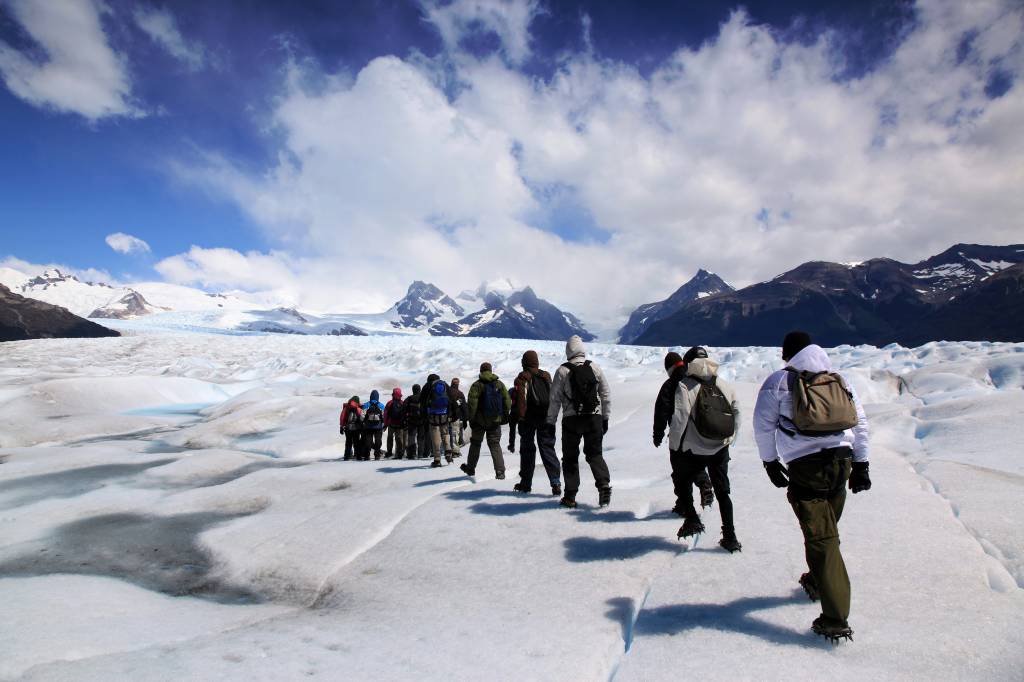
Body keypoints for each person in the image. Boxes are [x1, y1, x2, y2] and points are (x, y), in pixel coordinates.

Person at [753, 331, 871, 643]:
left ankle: (834, 618)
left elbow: (762, 425)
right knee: (824, 530)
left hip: (806, 468)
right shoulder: (839, 379)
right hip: (842, 463)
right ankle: (819, 579)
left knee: (822, 539)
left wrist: (770, 462)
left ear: (788, 353)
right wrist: (861, 464)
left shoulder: (779, 381)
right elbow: (859, 423)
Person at [668, 347, 742, 553]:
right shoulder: (723, 384)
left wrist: (674, 445)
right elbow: (737, 411)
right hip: (720, 447)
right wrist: (730, 439)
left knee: (682, 480)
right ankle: (730, 536)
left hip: (694, 448)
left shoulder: (685, 385)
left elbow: (680, 417)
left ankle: (692, 519)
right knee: (723, 492)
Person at [546, 335, 612, 508]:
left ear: (568, 351)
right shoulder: (594, 368)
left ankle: (570, 496)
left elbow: (554, 400)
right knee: (595, 454)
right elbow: (605, 394)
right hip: (594, 418)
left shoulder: (562, 371)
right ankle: (603, 484)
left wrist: (550, 423)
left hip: (571, 420)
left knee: (570, 458)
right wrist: (605, 417)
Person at [653, 351, 716, 513]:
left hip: (679, 434)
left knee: (680, 472)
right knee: (697, 463)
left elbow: (661, 411)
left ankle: (684, 505)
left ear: (669, 368)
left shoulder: (669, 384)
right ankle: (704, 483)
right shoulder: (693, 378)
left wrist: (658, 434)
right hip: (700, 432)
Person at [512, 350, 562, 496]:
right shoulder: (546, 375)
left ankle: (526, 484)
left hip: (528, 419)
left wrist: (520, 418)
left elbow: (522, 398)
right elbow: (553, 395)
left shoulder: (522, 377)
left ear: (524, 363)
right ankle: (556, 482)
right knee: (547, 448)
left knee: (527, 451)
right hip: (546, 418)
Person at [460, 362, 511, 479]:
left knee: (476, 444)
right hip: (495, 421)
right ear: (491, 370)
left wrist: (471, 419)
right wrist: (502, 415)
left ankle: (471, 468)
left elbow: (472, 405)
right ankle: (500, 472)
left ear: (481, 371)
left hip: (479, 422)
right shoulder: (499, 384)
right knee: (495, 445)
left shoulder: (477, 385)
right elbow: (507, 402)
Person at [424, 373, 453, 467]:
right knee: (445, 432)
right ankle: (448, 449)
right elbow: (451, 399)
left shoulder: (428, 385)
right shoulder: (444, 384)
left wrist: (424, 415)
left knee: (435, 434)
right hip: (444, 413)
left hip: (433, 414)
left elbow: (422, 400)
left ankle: (437, 459)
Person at [361, 390, 386, 460]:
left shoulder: (366, 405)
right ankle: (377, 455)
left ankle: (367, 455)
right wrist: (383, 424)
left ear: (370, 396)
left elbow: (362, 416)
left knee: (368, 441)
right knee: (378, 441)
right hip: (378, 427)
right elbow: (384, 416)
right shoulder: (381, 405)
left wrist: (364, 422)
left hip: (368, 427)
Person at [447, 377, 469, 458]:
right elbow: (464, 407)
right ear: (458, 384)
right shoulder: (459, 393)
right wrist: (465, 419)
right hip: (455, 416)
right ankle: (455, 451)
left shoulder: (446, 392)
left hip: (444, 416)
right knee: (454, 434)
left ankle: (447, 450)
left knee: (446, 434)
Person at [384, 387, 406, 459]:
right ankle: (400, 453)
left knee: (390, 438)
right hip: (400, 424)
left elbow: (386, 414)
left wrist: (385, 424)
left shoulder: (389, 403)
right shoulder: (402, 403)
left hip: (391, 424)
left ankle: (389, 452)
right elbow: (405, 414)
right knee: (399, 439)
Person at [339, 396, 363, 461]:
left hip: (347, 428)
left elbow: (342, 418)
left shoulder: (346, 408)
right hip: (356, 428)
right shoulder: (358, 409)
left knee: (348, 442)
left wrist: (341, 426)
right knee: (356, 442)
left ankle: (346, 456)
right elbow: (362, 418)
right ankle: (358, 456)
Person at [403, 384, 423, 460]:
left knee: (411, 437)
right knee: (421, 437)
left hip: (411, 421)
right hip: (421, 421)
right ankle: (420, 453)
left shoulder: (409, 398)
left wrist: (405, 419)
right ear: (420, 390)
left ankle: (412, 454)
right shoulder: (423, 398)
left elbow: (404, 409)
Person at [507, 384, 519, 453]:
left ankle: (512, 445)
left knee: (512, 430)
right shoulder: (525, 389)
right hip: (523, 413)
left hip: (514, 412)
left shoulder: (512, 390)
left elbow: (507, 400)